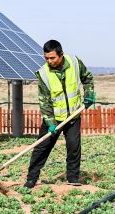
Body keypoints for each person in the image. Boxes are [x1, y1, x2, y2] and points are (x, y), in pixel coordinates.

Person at [24, 40, 94, 188]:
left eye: (52, 58)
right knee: (42, 148)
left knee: (74, 147)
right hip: (54, 118)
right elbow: (45, 101)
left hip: (73, 116)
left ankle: (73, 179)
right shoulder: (43, 73)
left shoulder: (74, 62)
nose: (49, 61)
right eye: (46, 58)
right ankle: (31, 178)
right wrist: (50, 123)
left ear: (61, 55)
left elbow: (87, 78)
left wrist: (89, 94)